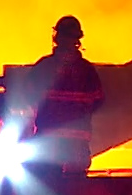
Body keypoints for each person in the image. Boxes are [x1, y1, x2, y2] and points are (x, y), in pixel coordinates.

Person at [16, 15, 104, 168]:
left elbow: (26, 97)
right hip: (78, 144)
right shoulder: (87, 70)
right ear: (78, 40)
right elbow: (98, 101)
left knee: (44, 183)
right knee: (77, 188)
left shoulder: (44, 66)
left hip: (48, 143)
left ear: (56, 37)